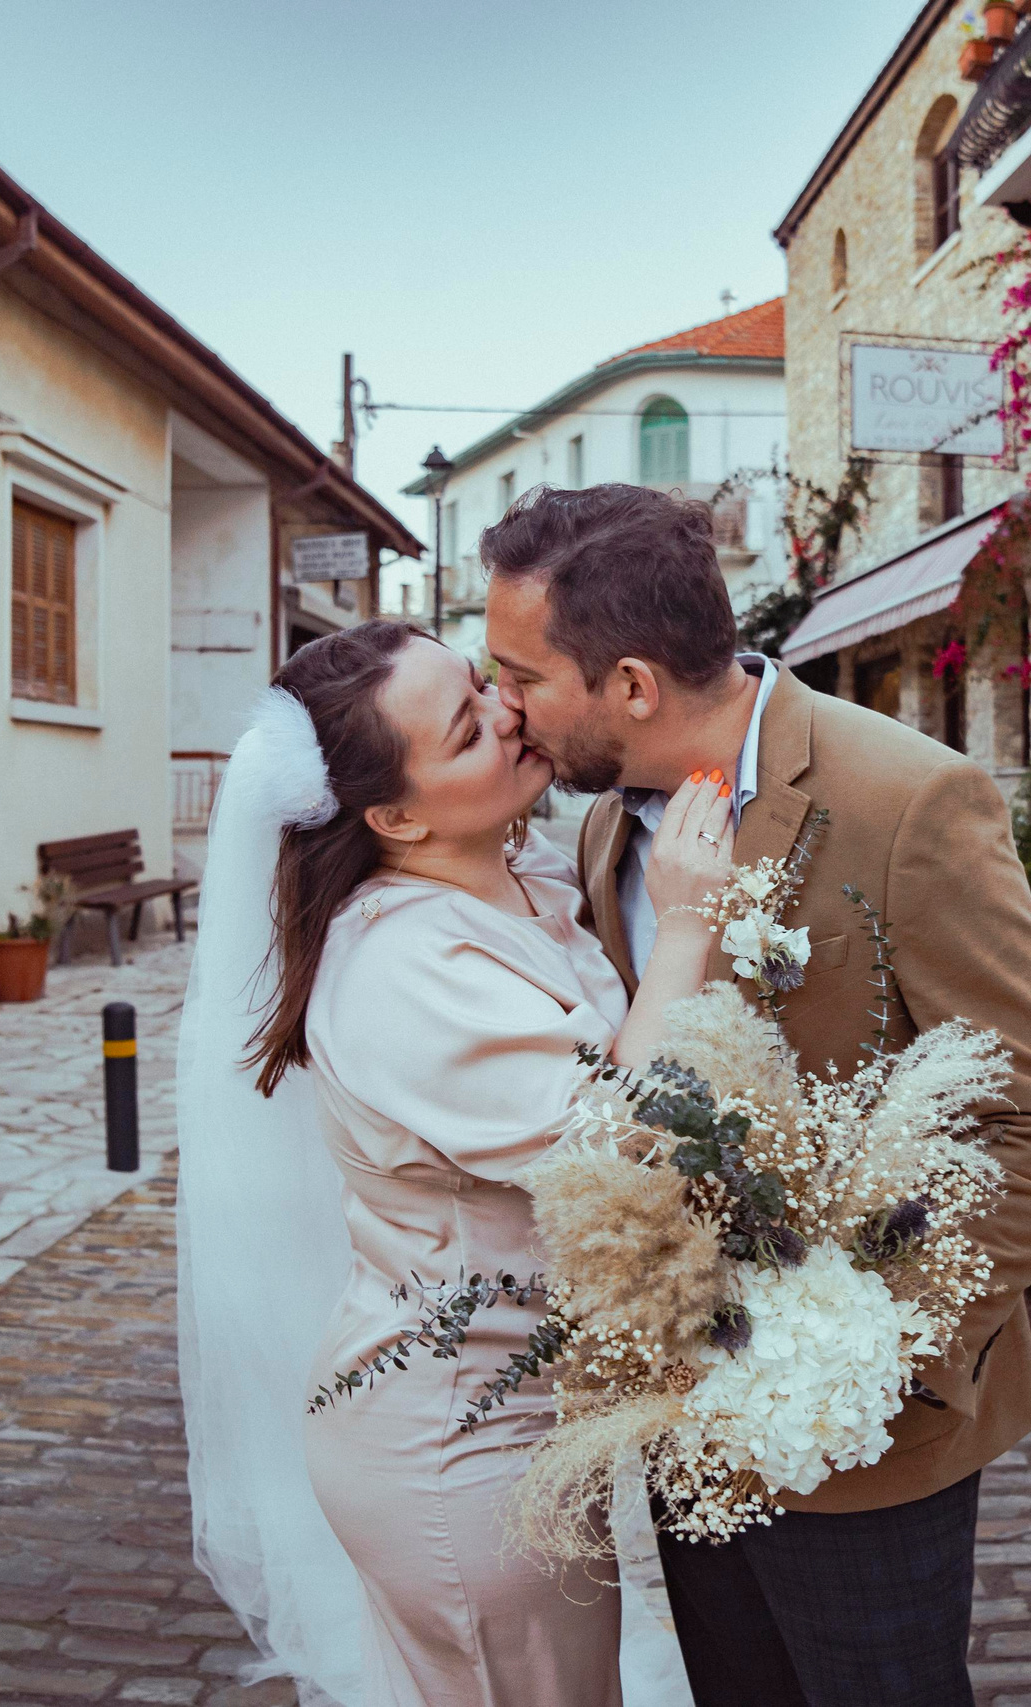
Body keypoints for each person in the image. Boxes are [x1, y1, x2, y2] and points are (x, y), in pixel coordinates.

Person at [483, 483, 1031, 1707]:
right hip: (684, 1416)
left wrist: (862, 1357)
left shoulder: (906, 800)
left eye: (522, 676)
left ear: (634, 688)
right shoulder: (611, 826)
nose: (504, 709)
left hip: (864, 1426)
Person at [174, 620, 724, 1707]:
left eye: (488, 687)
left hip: (525, 1408)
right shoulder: (398, 966)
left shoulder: (517, 877)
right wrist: (690, 929)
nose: (510, 716)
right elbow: (624, 1138)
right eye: (469, 728)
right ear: (395, 815)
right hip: (455, 1435)